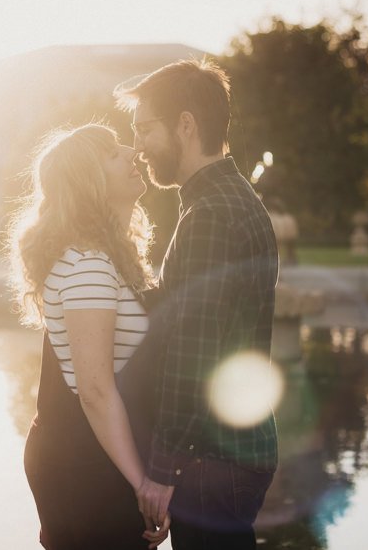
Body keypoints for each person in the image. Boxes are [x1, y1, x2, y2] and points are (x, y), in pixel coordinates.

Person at [115, 59, 280, 549]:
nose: (139, 146)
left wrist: (162, 474)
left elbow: (193, 355)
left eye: (145, 129)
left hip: (212, 460)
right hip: (231, 453)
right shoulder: (233, 200)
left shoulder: (209, 215)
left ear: (185, 124)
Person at [7, 124, 169, 550]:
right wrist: (143, 483)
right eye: (114, 152)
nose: (133, 151)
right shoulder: (87, 266)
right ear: (90, 181)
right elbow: (95, 390)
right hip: (85, 463)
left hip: (96, 454)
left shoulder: (104, 256)